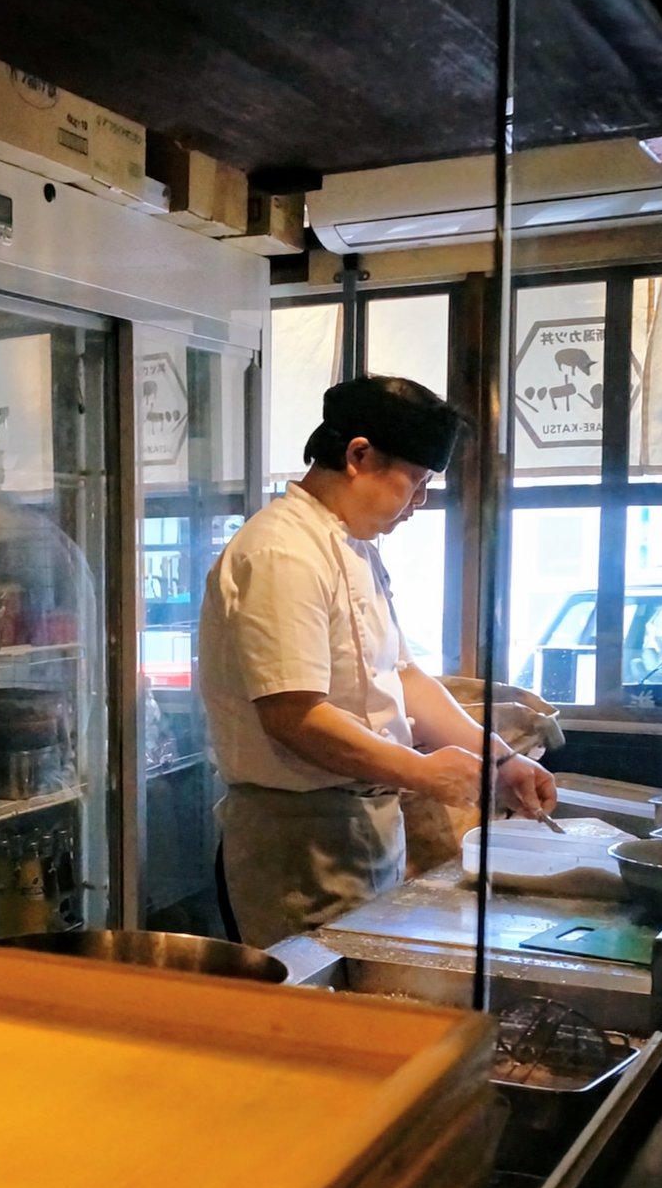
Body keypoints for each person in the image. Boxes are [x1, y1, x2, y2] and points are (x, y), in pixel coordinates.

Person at [200, 375, 557, 947]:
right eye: (415, 482)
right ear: (358, 455)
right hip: (300, 838)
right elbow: (293, 715)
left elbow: (403, 678)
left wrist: (499, 758)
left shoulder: (356, 546)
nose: (420, 504)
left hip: (363, 825)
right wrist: (420, 771)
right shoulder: (281, 552)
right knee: (317, 1016)